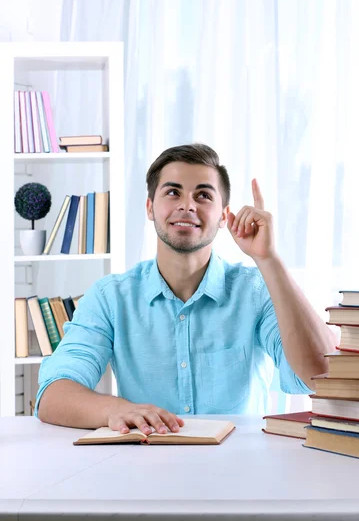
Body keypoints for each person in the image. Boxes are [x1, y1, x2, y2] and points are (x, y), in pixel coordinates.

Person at [36, 143, 337, 436]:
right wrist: (114, 410)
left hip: (241, 470)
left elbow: (320, 374)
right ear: (150, 208)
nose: (187, 205)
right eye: (172, 192)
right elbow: (53, 395)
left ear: (223, 216)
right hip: (145, 469)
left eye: (203, 195)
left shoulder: (256, 291)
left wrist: (268, 259)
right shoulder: (111, 297)